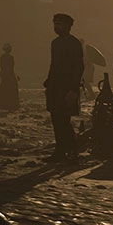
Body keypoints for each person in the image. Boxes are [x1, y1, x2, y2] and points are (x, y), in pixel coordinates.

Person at [46, 13, 85, 160]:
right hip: (54, 87)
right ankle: (60, 151)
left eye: (60, 24)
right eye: (55, 24)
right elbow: (53, 65)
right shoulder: (55, 43)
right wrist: (48, 82)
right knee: (56, 119)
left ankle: (72, 151)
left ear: (68, 26)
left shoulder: (74, 44)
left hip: (67, 87)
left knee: (64, 120)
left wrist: (73, 90)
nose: (57, 27)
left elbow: (78, 67)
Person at [0, 44, 20, 110]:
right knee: (8, 88)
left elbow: (9, 68)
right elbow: (6, 67)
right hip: (8, 75)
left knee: (5, 88)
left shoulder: (5, 57)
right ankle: (9, 104)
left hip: (8, 74)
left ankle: (5, 103)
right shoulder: (8, 57)